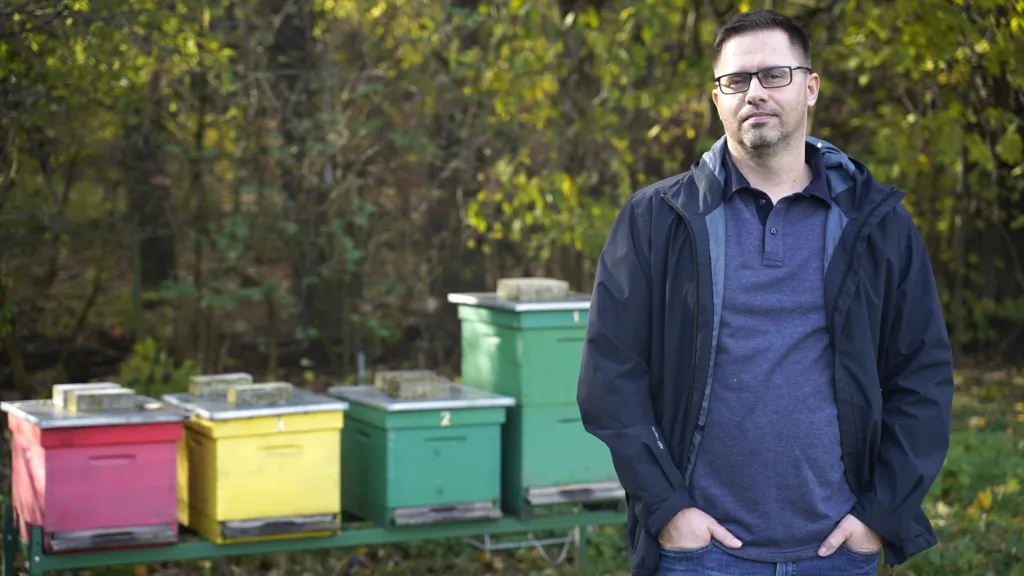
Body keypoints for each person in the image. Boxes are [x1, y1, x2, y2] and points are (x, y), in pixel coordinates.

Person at [576, 9, 955, 576]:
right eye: (736, 81)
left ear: (811, 87)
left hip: (839, 551)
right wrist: (669, 511)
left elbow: (922, 376)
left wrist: (880, 514)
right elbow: (611, 377)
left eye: (773, 75)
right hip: (699, 554)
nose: (754, 92)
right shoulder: (658, 218)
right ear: (717, 99)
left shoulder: (875, 223)